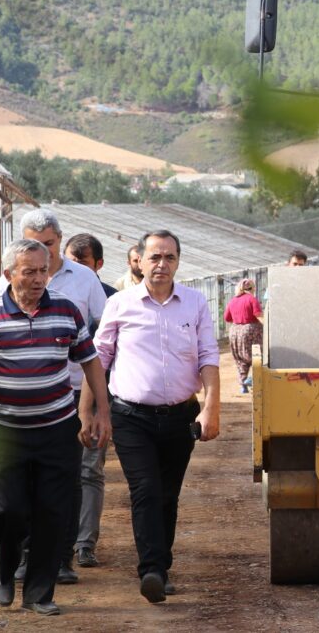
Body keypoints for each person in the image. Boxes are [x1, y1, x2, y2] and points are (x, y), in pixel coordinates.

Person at [0, 239, 111, 616]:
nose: (40, 278)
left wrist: (100, 413)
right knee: (10, 510)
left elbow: (90, 362)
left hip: (58, 428)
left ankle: (40, 593)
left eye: (44, 270)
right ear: (10, 273)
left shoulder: (66, 310)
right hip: (4, 431)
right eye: (30, 271)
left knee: (52, 511)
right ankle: (5, 570)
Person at [93, 229, 220, 604]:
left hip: (181, 416)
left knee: (167, 494)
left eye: (169, 258)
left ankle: (161, 567)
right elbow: (98, 359)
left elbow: (209, 356)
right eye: (155, 257)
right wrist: (91, 411)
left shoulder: (194, 303)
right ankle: (151, 570)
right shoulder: (120, 304)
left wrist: (212, 407)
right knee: (146, 490)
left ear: (178, 262)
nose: (161, 264)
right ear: (139, 260)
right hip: (131, 416)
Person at [0, 209, 106, 586]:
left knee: (74, 476)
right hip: (23, 396)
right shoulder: (7, 280)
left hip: (75, 389)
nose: (41, 252)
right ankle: (29, 555)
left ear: (60, 240)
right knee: (29, 480)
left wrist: (94, 403)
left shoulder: (86, 279)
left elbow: (102, 335)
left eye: (48, 244)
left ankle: (64, 555)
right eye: (33, 244)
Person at [64, 233, 117, 570]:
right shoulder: (51, 289)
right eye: (72, 260)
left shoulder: (113, 301)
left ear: (98, 264)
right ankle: (61, 542)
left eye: (83, 261)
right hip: (56, 393)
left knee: (89, 469)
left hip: (95, 392)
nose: (76, 267)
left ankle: (85, 543)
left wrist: (103, 402)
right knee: (61, 471)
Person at [224, 279, 263, 393]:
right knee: (256, 355)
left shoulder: (232, 301)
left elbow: (227, 318)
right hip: (250, 330)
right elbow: (258, 315)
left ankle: (243, 385)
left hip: (235, 332)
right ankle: (252, 379)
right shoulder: (252, 299)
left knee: (240, 358)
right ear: (252, 288)